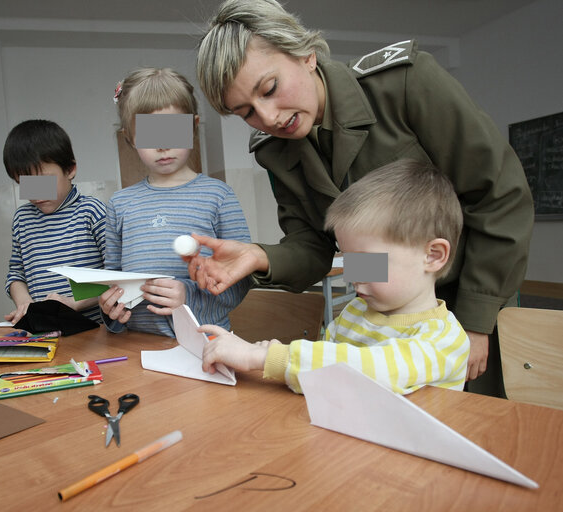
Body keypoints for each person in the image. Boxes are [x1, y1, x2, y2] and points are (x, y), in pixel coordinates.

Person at [191, 0, 533, 396]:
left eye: (269, 88)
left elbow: (499, 195)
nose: (267, 117)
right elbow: (314, 247)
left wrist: (475, 320)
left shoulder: (404, 84)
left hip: (473, 292)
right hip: (378, 305)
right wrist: (258, 255)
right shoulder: (275, 150)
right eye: (246, 111)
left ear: (306, 54)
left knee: (478, 423)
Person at [201, 160, 470, 394]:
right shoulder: (353, 313)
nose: (354, 275)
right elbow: (320, 374)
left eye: (366, 261)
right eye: (348, 258)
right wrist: (269, 354)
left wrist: (263, 356)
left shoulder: (444, 341)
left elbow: (373, 371)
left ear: (433, 256)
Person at [98, 68, 251, 337]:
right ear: (129, 138)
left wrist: (188, 296)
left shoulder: (219, 196)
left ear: (193, 127)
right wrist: (110, 311)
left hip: (206, 342)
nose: (162, 144)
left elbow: (241, 280)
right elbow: (113, 282)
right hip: (137, 345)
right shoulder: (119, 204)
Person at [4, 120, 106, 324]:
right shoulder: (22, 219)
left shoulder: (91, 212)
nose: (36, 193)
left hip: (94, 330)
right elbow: (16, 274)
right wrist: (25, 303)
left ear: (70, 169)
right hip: (45, 330)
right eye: (25, 183)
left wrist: (75, 302)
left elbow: (118, 275)